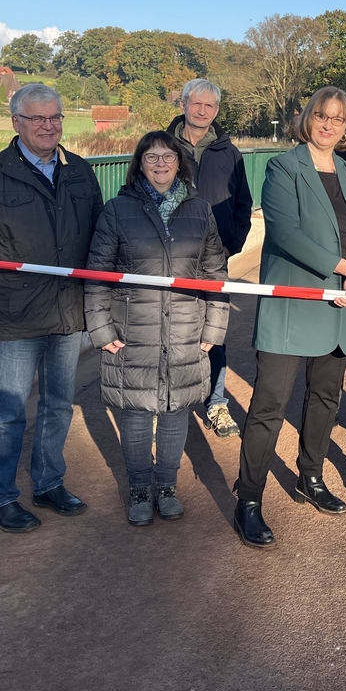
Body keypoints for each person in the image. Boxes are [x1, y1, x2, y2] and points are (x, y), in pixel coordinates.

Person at [235, 87, 346, 548]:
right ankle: (250, 499)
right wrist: (343, 271)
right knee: (269, 405)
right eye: (321, 115)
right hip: (293, 309)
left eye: (338, 119)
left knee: (325, 400)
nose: (328, 124)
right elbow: (286, 232)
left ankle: (310, 477)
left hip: (341, 308)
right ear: (308, 118)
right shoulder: (284, 167)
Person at [0, 84, 103, 533]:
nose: (47, 126)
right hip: (15, 316)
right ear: (16, 122)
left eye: (54, 117)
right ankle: (0, 498)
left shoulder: (78, 170)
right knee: (7, 411)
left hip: (67, 313)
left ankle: (48, 482)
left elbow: (99, 239)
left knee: (59, 405)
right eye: (37, 118)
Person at [84, 132, 228, 525]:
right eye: (152, 157)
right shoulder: (117, 210)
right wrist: (100, 329)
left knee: (174, 410)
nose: (161, 164)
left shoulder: (201, 210)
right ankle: (138, 487)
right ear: (140, 164)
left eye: (168, 156)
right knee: (134, 413)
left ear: (180, 163)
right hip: (134, 331)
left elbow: (216, 273)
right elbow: (96, 274)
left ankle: (166, 485)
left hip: (185, 328)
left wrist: (214, 328)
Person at [167, 78, 253, 439]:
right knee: (167, 332)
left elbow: (243, 205)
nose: (202, 110)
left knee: (213, 331)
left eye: (210, 106)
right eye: (196, 103)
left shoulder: (229, 153)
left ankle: (216, 403)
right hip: (168, 260)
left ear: (216, 111)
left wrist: (230, 245)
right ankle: (166, 404)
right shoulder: (160, 145)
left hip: (214, 261)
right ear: (184, 104)